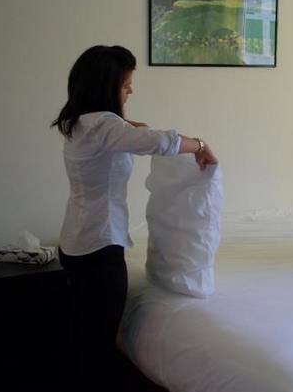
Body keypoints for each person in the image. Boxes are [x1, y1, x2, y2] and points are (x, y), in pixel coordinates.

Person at [51, 45, 218, 391]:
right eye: (126, 84)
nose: (131, 90)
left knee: (85, 336)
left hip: (74, 242)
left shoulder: (79, 123)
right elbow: (161, 142)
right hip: (100, 246)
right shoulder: (104, 126)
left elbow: (124, 136)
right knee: (100, 345)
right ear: (106, 85)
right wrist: (201, 145)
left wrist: (127, 125)